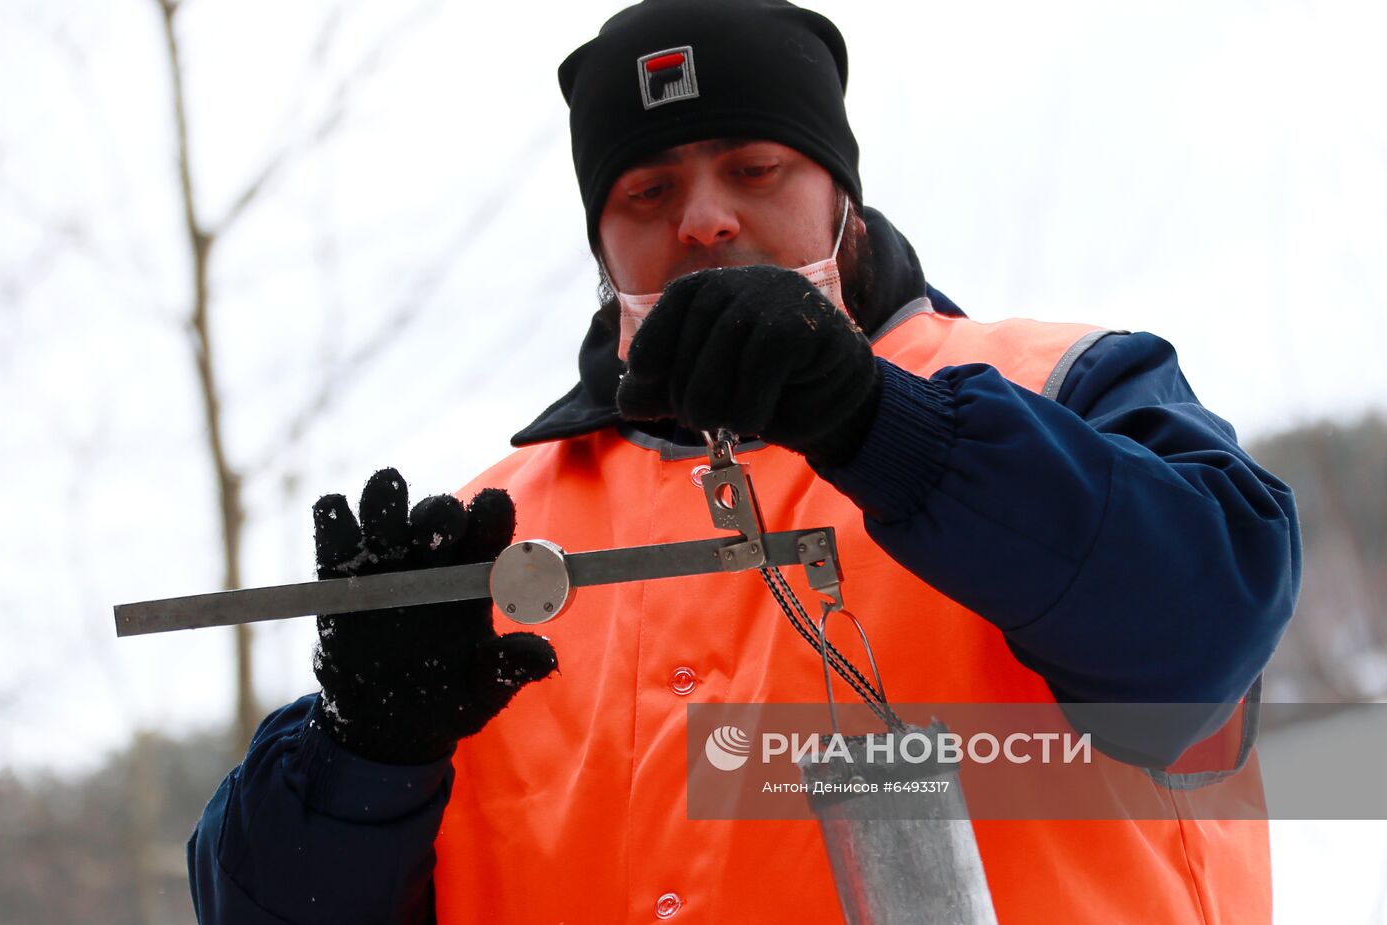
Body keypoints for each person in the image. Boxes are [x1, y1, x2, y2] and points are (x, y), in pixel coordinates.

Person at [188, 0, 1301, 922]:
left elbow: (1203, 636)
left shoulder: (1059, 383)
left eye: (754, 166)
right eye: (647, 191)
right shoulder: (486, 535)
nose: (706, 217)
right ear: (601, 244)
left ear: (840, 200)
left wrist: (879, 423)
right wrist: (362, 750)